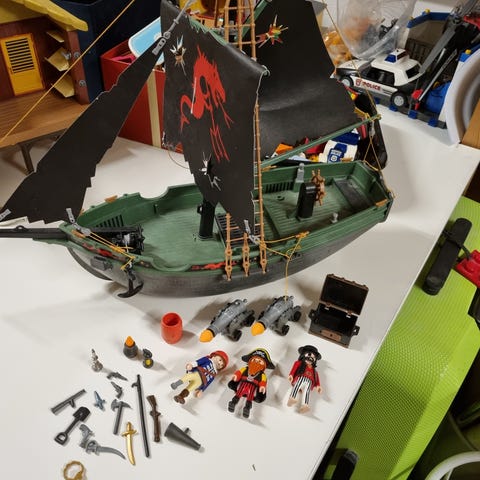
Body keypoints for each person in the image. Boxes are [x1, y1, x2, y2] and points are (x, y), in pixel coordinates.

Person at [227, 348, 275, 418]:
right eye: (254, 360)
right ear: (250, 361)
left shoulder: (262, 375)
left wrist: (262, 387)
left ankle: (247, 408)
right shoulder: (245, 369)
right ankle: (233, 403)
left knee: (250, 397)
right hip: (243, 384)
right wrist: (236, 376)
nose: (257, 362)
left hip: (253, 386)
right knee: (239, 393)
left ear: (264, 365)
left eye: (260, 361)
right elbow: (239, 372)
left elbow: (263, 381)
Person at [287, 345, 321, 413]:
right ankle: (292, 398)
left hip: (309, 382)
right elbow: (294, 368)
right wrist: (291, 375)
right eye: (309, 354)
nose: (311, 358)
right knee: (297, 386)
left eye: (314, 357)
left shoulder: (314, 371)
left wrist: (318, 386)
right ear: (303, 355)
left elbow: (317, 378)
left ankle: (305, 405)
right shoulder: (299, 363)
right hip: (301, 378)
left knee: (307, 392)